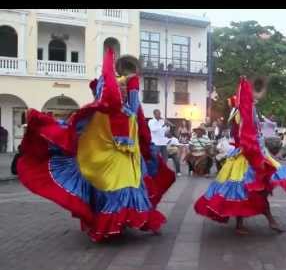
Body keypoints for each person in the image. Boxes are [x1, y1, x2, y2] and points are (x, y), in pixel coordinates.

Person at [16, 50, 176, 242]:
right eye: (121, 86)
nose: (124, 88)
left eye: (126, 85)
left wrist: (132, 79)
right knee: (118, 187)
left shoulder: (131, 107)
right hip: (110, 154)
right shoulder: (104, 104)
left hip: (131, 157)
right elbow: (97, 109)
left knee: (133, 186)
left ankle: (137, 220)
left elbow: (134, 102)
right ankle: (113, 224)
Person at [194, 76, 286, 235]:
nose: (256, 97)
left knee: (245, 191)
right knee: (253, 190)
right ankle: (269, 221)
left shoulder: (242, 110)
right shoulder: (243, 111)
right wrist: (255, 152)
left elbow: (248, 129)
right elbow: (246, 136)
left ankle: (247, 223)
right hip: (249, 155)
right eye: (253, 94)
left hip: (250, 154)